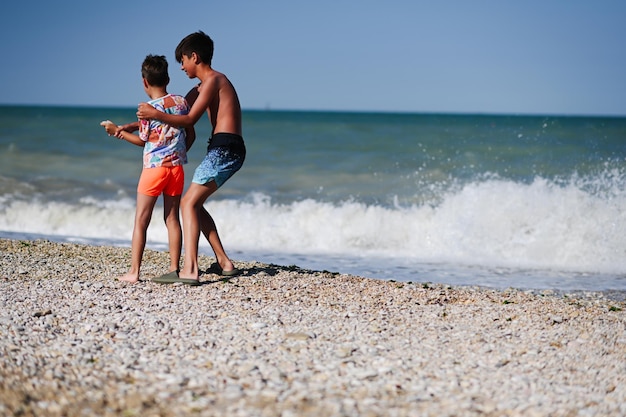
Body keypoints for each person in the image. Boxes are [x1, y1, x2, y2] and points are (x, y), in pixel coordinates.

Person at [137, 31, 246, 285]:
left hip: (226, 147)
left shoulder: (215, 80)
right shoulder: (200, 88)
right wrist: (132, 125)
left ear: (194, 57)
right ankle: (224, 262)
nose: (182, 67)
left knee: (187, 203)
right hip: (221, 147)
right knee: (194, 204)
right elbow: (170, 110)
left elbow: (187, 120)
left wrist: (154, 114)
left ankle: (191, 269)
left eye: (183, 61)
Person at [101, 54, 195, 283]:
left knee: (141, 220)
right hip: (176, 168)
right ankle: (174, 268)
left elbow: (144, 141)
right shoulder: (181, 102)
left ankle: (134, 272)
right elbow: (187, 131)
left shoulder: (146, 109)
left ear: (144, 82)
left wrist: (118, 132)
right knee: (172, 218)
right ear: (168, 78)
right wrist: (180, 151)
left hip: (154, 169)